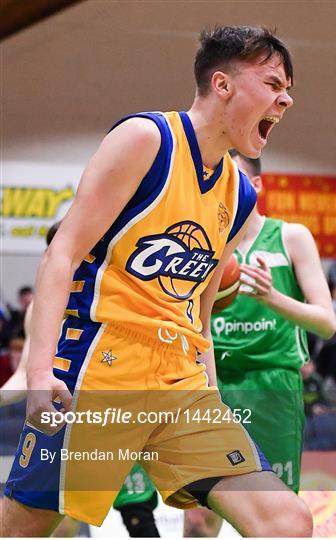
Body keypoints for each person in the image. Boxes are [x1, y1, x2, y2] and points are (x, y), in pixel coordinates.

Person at [1, 26, 314, 537]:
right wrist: (38, 373)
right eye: (274, 83)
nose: (287, 98)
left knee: (288, 520)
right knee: (25, 529)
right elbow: (62, 253)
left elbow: (201, 310)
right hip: (102, 369)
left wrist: (210, 389)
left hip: (182, 380)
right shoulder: (146, 140)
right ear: (224, 84)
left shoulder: (239, 195)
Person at [184, 151, 336, 536]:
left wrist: (273, 297)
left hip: (272, 388)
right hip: (212, 385)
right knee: (199, 515)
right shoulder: (204, 246)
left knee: (276, 516)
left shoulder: (290, 236)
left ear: (256, 185)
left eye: (234, 179)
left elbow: (327, 323)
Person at [0, 222, 160, 538]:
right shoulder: (42, 306)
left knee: (138, 515)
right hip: (62, 421)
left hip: (120, 414)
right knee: (51, 525)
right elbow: (24, 376)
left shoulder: (122, 297)